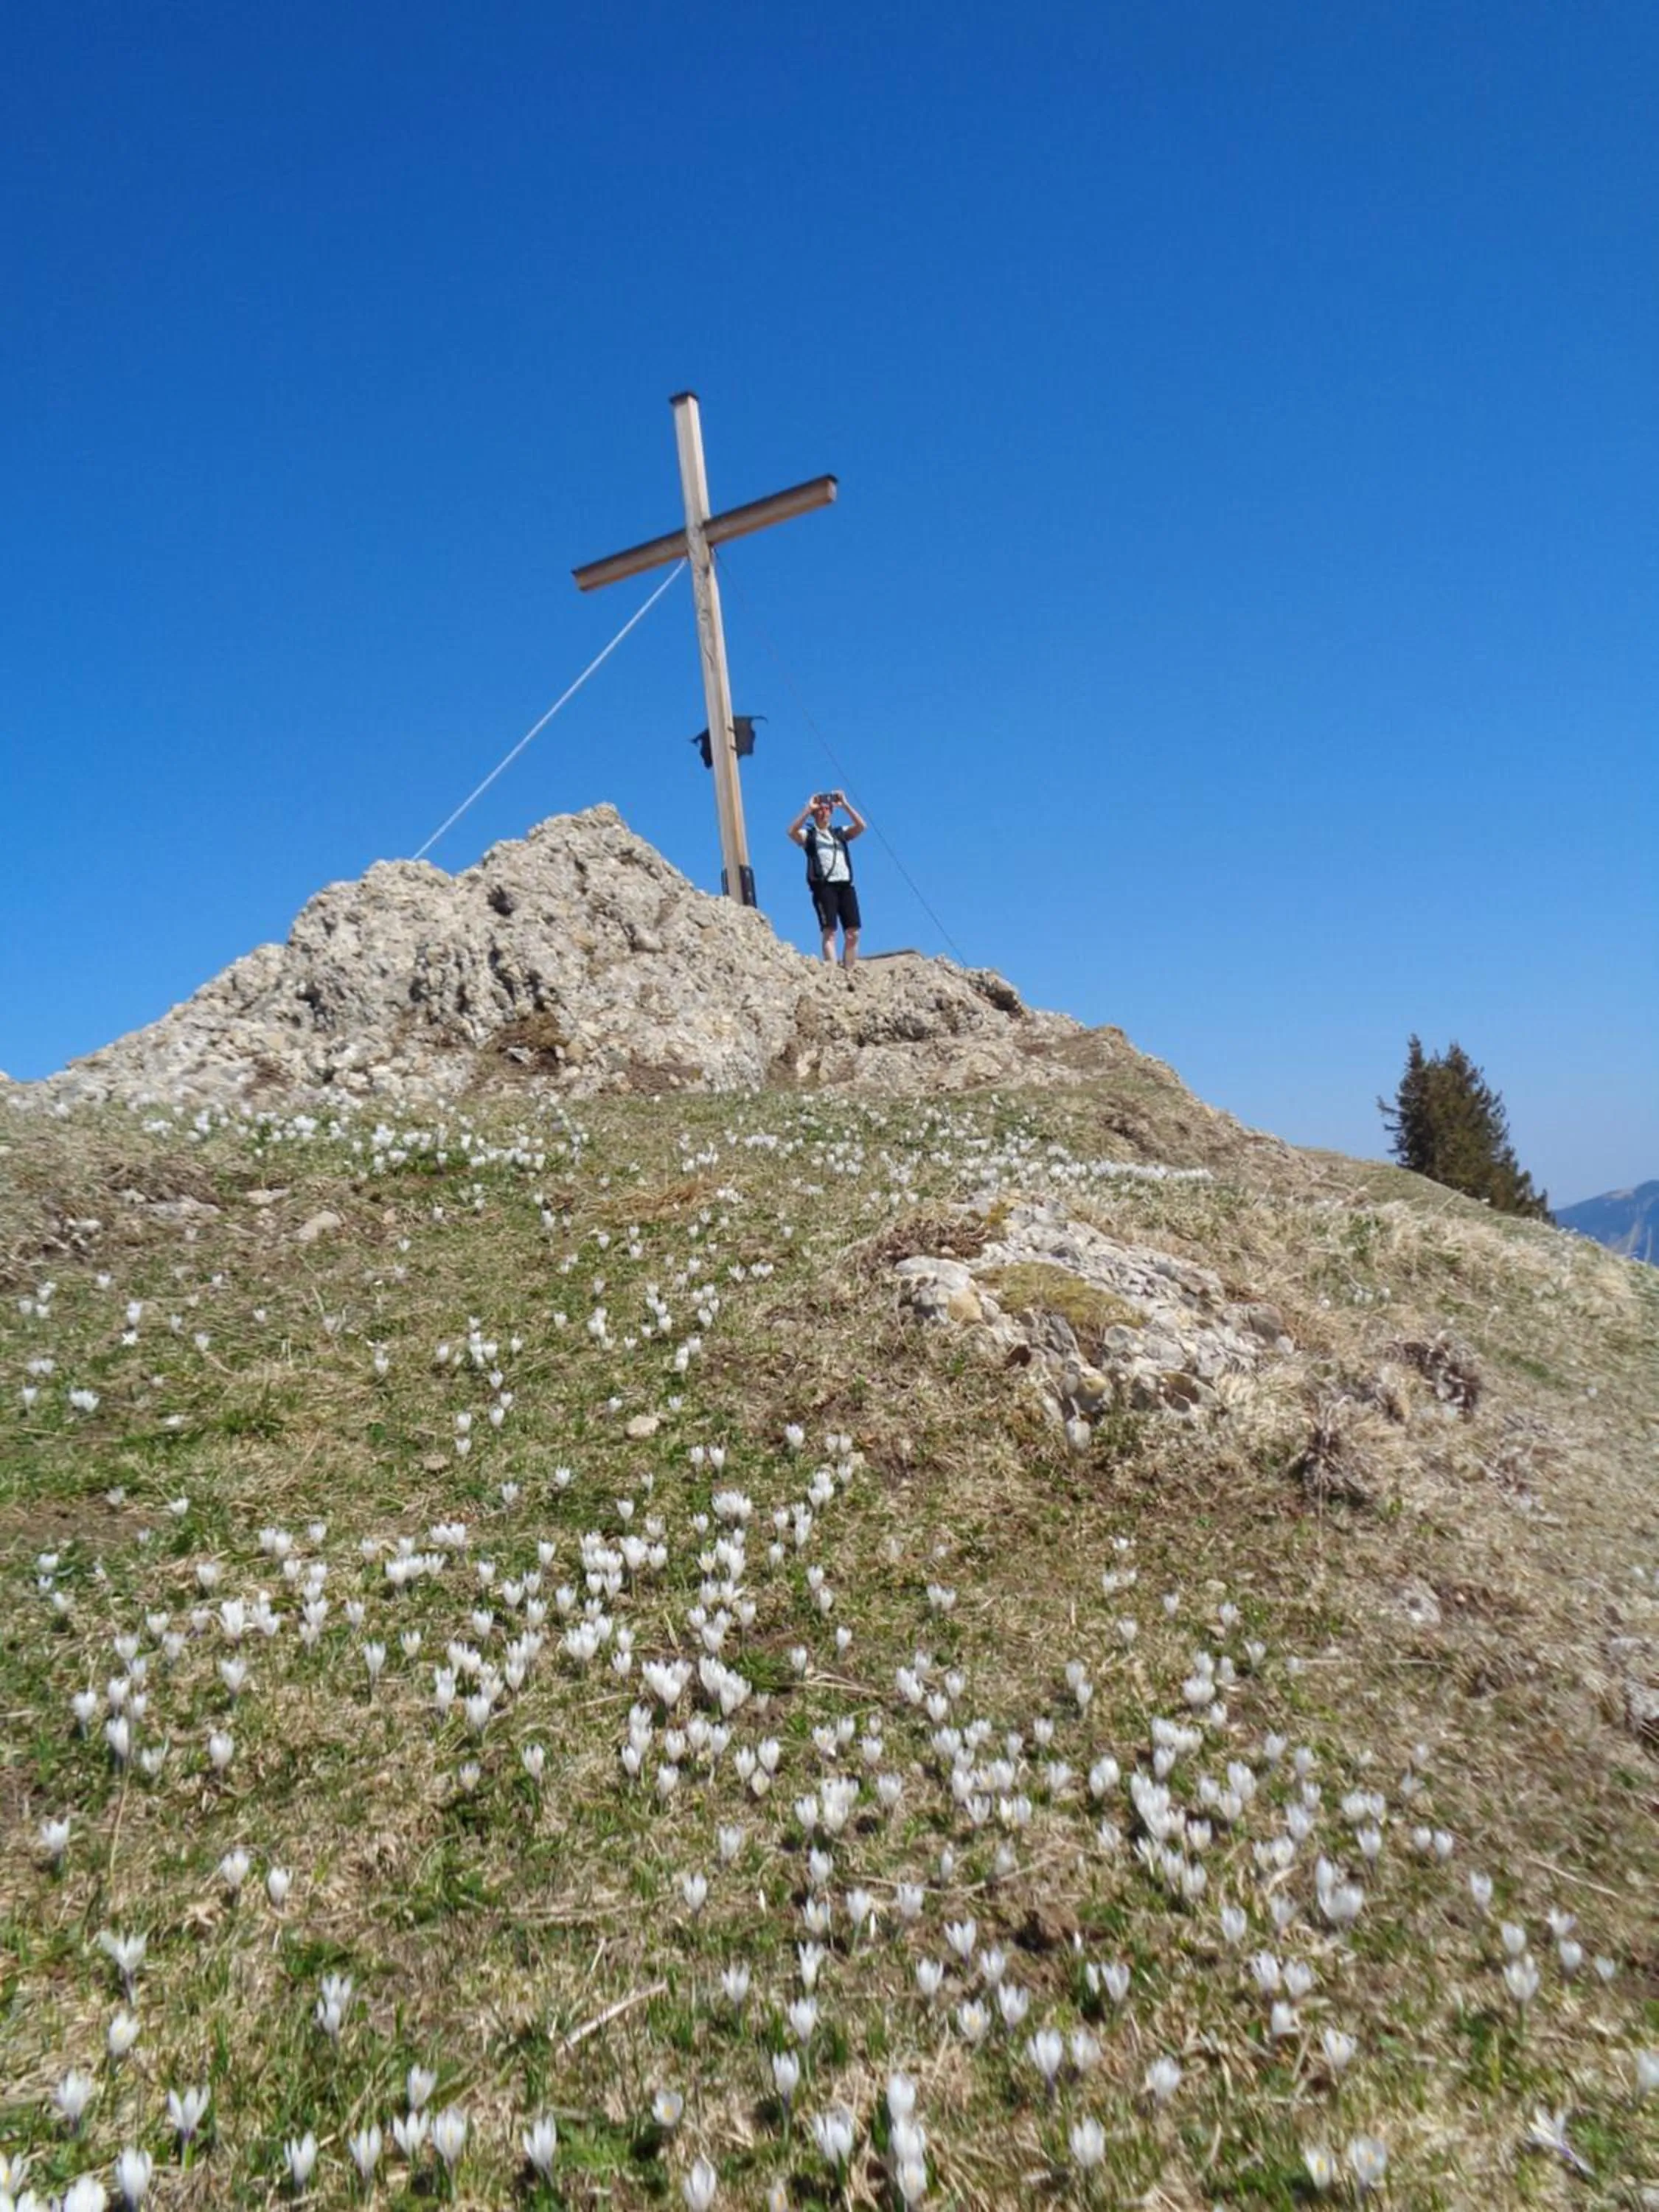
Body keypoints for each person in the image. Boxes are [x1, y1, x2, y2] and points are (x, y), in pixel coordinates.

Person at [787, 790, 867, 968]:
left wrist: (845, 805)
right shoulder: (810, 835)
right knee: (830, 932)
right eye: (820, 809)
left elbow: (861, 826)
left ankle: (849, 971)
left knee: (853, 933)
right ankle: (831, 970)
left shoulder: (840, 833)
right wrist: (808, 809)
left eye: (827, 809)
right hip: (824, 887)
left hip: (845, 885)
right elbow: (792, 832)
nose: (824, 812)